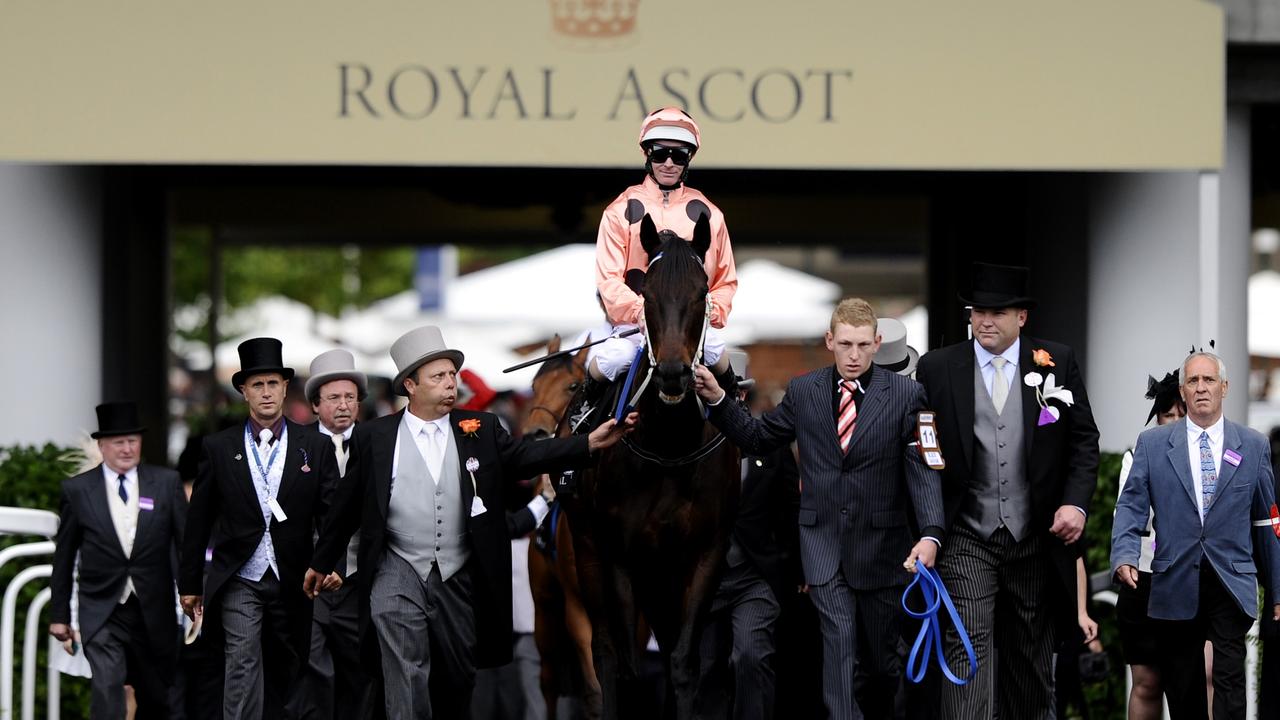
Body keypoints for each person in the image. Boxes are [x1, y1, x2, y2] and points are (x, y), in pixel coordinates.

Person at [305, 325, 636, 719]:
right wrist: (321, 561)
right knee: (404, 669)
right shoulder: (375, 436)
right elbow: (346, 505)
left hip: (458, 571)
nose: (450, 383)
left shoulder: (480, 428)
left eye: (452, 375)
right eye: (439, 376)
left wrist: (586, 444)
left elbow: (525, 457)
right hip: (396, 568)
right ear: (410, 384)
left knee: (457, 676)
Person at [693, 298, 945, 719]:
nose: (854, 354)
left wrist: (931, 532)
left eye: (863, 345)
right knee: (839, 656)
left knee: (883, 668)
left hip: (884, 553)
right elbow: (757, 438)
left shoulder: (907, 394)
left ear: (877, 342)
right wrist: (721, 399)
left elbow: (923, 469)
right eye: (845, 343)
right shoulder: (804, 390)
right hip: (823, 548)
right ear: (830, 340)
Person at [914, 262, 1100, 720]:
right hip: (967, 534)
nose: (985, 321)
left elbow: (1083, 440)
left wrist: (1075, 503)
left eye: (997, 312)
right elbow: (924, 449)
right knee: (968, 651)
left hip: (1034, 535)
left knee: (1031, 662)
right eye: (977, 311)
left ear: (1022, 317)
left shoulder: (1056, 362)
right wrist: (931, 527)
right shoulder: (937, 368)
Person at [179, 337, 342, 720]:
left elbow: (331, 513)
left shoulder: (314, 446)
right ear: (243, 391)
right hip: (240, 574)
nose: (266, 393)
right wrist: (188, 584)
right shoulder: (218, 447)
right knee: (241, 663)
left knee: (292, 665)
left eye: (272, 383)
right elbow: (198, 519)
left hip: (296, 575)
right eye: (257, 385)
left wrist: (329, 561)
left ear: (286, 388)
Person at [1112, 351, 1280, 720]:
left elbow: (1266, 521)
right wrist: (1124, 554)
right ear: (1183, 392)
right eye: (1193, 382)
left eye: (1208, 381)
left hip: (1230, 581)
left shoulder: (1252, 444)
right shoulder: (1153, 445)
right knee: (1184, 686)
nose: (1201, 388)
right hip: (1176, 581)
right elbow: (1131, 505)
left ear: (1224, 387)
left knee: (1229, 679)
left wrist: (1277, 591)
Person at [588, 106, 738, 403]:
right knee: (611, 359)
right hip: (635, 326)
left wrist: (708, 314)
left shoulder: (711, 215)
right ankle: (583, 415)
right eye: (660, 154)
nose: (668, 163)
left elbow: (725, 282)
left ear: (689, 159)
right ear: (647, 155)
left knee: (718, 354)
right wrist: (640, 313)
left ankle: (741, 428)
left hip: (692, 327)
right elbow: (608, 280)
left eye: (678, 156)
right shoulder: (619, 211)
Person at [49, 401, 187, 719]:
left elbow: (184, 545)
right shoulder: (78, 490)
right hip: (102, 609)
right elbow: (65, 556)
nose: (127, 449)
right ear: (102, 446)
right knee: (108, 687)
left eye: (132, 441)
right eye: (118, 442)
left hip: (153, 607)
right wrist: (60, 616)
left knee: (157, 697)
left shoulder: (165, 483)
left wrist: (191, 595)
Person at [694, 349, 801, 720]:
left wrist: (797, 568)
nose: (730, 398)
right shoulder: (685, 452)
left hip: (754, 575)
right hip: (702, 579)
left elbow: (791, 511)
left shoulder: (770, 447)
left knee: (751, 657)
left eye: (735, 392)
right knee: (704, 669)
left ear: (743, 395)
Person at [292, 349, 370, 719]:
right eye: (334, 398)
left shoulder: (377, 443)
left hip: (362, 582)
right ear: (315, 405)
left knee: (360, 678)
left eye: (350, 397)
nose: (343, 405)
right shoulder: (296, 445)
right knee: (313, 675)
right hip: (310, 583)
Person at [1114, 370, 1185, 719]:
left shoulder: (1213, 456)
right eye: (1166, 415)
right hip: (1143, 579)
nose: (1172, 423)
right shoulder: (1137, 455)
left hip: (1192, 581)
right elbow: (1128, 515)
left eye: (1180, 415)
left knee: (1198, 680)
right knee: (1146, 683)